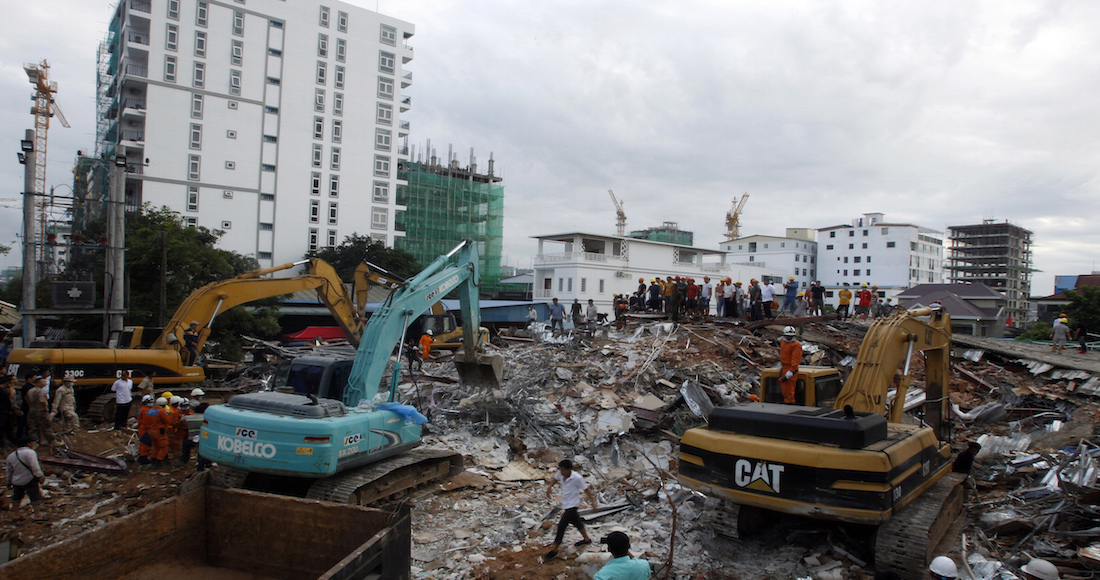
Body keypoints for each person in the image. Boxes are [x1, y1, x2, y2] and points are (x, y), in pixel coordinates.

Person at [544, 459, 597, 560]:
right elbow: (555, 479)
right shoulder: (561, 474)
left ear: (570, 470)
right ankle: (586, 539)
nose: (561, 472)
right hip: (566, 503)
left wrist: (593, 503)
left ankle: (554, 550)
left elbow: (587, 490)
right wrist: (550, 487)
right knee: (576, 522)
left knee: (561, 526)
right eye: (560, 470)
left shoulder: (577, 478)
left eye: (563, 470)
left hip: (573, 505)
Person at [6, 436, 46, 520]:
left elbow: (9, 471)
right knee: (35, 497)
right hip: (29, 479)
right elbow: (34, 466)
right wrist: (40, 476)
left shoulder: (11, 455)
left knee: (17, 497)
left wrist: (8, 481)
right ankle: (38, 515)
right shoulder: (30, 452)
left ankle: (16, 514)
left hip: (16, 480)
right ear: (28, 444)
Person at [24, 376, 54, 446]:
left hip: (31, 410)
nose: (45, 383)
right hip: (41, 411)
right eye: (43, 382)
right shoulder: (40, 391)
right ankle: (52, 441)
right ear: (38, 383)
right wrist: (46, 408)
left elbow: (27, 399)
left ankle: (34, 441)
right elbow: (42, 401)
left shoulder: (30, 390)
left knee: (32, 427)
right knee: (47, 426)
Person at [778, 326, 802, 404]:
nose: (789, 337)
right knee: (784, 390)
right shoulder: (783, 343)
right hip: (784, 367)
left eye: (790, 336)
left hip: (790, 368)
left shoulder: (796, 345)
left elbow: (796, 359)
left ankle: (789, 404)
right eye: (788, 336)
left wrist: (791, 371)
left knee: (789, 391)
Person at [136, 394, 155, 469]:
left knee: (143, 443)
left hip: (142, 428)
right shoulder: (146, 411)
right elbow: (147, 422)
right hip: (145, 429)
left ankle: (142, 456)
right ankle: (143, 458)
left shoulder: (143, 409)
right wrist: (149, 430)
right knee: (145, 444)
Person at [0, 374, 16, 444]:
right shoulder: (2, 391)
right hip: (2, 411)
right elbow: (11, 395)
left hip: (5, 410)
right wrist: (11, 387)